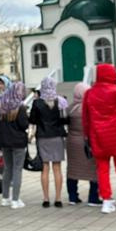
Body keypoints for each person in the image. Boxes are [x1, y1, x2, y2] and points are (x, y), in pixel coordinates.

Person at [82, 63, 116, 214]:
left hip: (99, 136)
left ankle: (106, 201)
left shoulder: (89, 93)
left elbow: (85, 118)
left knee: (103, 170)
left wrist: (87, 136)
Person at [29, 76, 68, 209]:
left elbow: (32, 120)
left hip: (43, 137)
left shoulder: (37, 103)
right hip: (57, 137)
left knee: (45, 167)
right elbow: (65, 120)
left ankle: (46, 198)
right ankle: (58, 198)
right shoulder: (61, 101)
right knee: (57, 168)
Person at [0, 78, 30, 209]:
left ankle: (5, 198)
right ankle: (15, 199)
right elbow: (24, 125)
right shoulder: (20, 107)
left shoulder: (1, 106)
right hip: (18, 142)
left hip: (5, 142)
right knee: (17, 169)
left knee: (7, 169)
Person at [64, 83, 100, 206]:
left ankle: (73, 197)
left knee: (72, 170)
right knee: (94, 170)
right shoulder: (91, 107)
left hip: (72, 143)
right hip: (88, 143)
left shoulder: (70, 108)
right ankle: (93, 197)